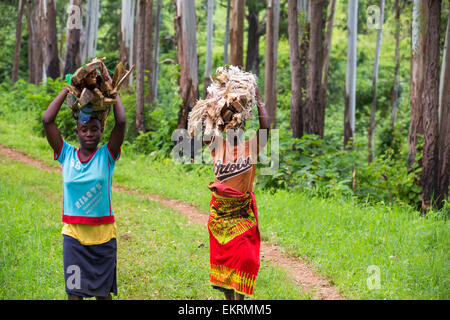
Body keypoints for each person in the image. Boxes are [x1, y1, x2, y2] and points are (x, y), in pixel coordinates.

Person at [42, 85, 126, 300]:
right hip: (74, 238)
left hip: (104, 238)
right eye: (84, 129)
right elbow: (47, 120)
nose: (89, 134)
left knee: (103, 296)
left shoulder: (107, 155)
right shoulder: (65, 154)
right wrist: (66, 91)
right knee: (74, 294)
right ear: (77, 131)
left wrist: (112, 93)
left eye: (95, 129)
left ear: (101, 131)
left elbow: (122, 122)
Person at [204, 84, 270, 300]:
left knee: (244, 259)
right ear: (223, 127)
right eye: (229, 126)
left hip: (241, 215)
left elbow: (266, 130)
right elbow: (205, 124)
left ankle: (239, 302)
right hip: (220, 217)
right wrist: (212, 100)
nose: (234, 130)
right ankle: (230, 301)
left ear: (243, 128)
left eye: (238, 126)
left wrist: (259, 102)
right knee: (223, 262)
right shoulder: (216, 145)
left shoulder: (252, 146)